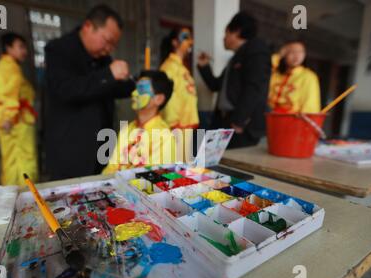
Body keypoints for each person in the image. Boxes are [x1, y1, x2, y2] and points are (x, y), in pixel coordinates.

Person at [45, 4, 135, 180]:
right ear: (88, 27)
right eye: (108, 41)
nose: (109, 49)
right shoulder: (59, 50)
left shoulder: (101, 57)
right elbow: (67, 89)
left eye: (114, 45)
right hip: (71, 153)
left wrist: (135, 84)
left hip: (102, 147)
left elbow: (111, 88)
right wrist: (109, 74)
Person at [197, 12, 271, 148]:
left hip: (240, 126)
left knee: (229, 165)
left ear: (236, 31)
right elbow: (216, 85)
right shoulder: (236, 59)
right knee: (212, 161)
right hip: (224, 121)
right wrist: (204, 66)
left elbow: (254, 88)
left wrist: (239, 120)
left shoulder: (256, 52)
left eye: (226, 34)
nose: (223, 39)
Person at [0, 32, 38, 186]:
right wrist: (9, 117)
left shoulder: (3, 67)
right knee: (25, 157)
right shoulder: (10, 68)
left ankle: (11, 194)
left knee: (10, 159)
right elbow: (9, 94)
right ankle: (28, 192)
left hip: (9, 117)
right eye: (20, 47)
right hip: (17, 119)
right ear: (8, 48)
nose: (25, 51)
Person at [102, 70, 175, 174]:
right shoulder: (127, 129)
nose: (133, 93)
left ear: (159, 99)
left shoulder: (164, 137)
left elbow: (152, 179)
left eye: (141, 90)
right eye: (136, 88)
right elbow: (111, 168)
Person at [160, 27, 199, 161]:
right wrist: (174, 126)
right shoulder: (169, 68)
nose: (190, 42)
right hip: (177, 129)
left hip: (185, 128)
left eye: (190, 38)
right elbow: (169, 99)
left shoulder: (181, 68)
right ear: (175, 42)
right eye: (185, 37)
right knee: (176, 169)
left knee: (184, 169)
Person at [268, 40, 321, 113]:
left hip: (292, 120)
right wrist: (279, 55)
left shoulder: (308, 76)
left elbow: (310, 106)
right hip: (269, 117)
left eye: (300, 52)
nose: (297, 55)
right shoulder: (275, 74)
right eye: (292, 51)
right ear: (284, 54)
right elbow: (267, 64)